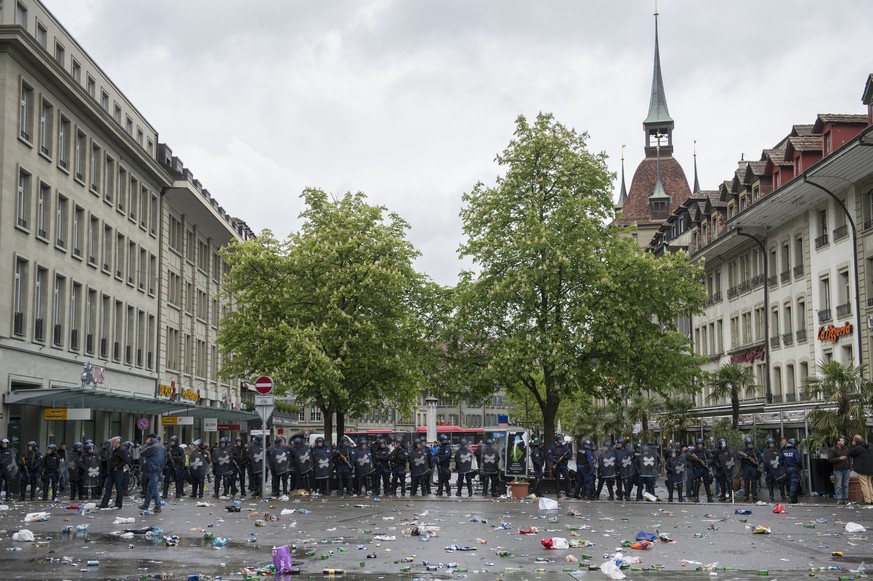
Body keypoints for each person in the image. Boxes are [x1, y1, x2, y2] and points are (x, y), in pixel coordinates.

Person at [138, 433, 166, 513]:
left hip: (152, 468)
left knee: (154, 488)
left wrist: (146, 444)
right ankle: (146, 504)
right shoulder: (162, 446)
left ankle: (158, 506)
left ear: (150, 439)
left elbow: (142, 453)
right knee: (150, 488)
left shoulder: (153, 446)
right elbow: (165, 458)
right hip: (158, 468)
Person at [99, 437, 129, 509]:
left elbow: (125, 460)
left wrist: (118, 467)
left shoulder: (122, 450)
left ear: (117, 442)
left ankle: (118, 504)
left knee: (118, 487)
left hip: (118, 471)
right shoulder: (113, 450)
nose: (112, 444)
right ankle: (104, 504)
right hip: (111, 471)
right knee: (108, 487)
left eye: (113, 443)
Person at [848, 434, 873, 504]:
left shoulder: (858, 448)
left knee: (864, 484)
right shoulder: (868, 448)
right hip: (869, 469)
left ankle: (867, 500)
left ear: (855, 441)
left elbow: (850, 453)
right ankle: (872, 498)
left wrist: (853, 445)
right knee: (869, 484)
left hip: (861, 468)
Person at [689, 438, 714, 503]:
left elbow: (711, 459)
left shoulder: (706, 451)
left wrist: (705, 462)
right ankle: (696, 497)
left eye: (701, 444)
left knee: (706, 483)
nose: (700, 446)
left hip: (705, 469)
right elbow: (689, 457)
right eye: (699, 444)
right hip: (697, 469)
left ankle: (709, 497)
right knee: (697, 483)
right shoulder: (693, 451)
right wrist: (697, 460)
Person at [761, 437, 786, 502]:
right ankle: (771, 495)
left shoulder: (777, 451)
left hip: (777, 469)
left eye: (772, 443)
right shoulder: (765, 451)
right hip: (769, 469)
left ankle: (783, 495)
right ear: (768, 444)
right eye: (770, 443)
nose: (771, 444)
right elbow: (764, 459)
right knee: (769, 481)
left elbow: (781, 458)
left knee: (781, 481)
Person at [738, 437, 762, 502]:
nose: (750, 445)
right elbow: (739, 456)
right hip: (746, 466)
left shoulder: (755, 450)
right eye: (749, 444)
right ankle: (746, 496)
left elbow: (760, 457)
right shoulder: (743, 450)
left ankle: (754, 496)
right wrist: (745, 458)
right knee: (746, 481)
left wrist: (757, 462)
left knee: (754, 481)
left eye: (751, 444)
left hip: (753, 467)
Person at [548, 434, 571, 498]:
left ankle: (568, 492)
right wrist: (555, 460)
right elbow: (550, 455)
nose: (561, 441)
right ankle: (558, 492)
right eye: (560, 439)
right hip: (557, 465)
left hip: (563, 465)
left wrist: (564, 457)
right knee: (557, 478)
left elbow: (569, 455)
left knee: (567, 477)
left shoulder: (564, 447)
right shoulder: (553, 447)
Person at [828, 436, 850, 505]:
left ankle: (846, 499)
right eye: (842, 441)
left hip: (846, 469)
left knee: (845, 485)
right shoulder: (833, 449)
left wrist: (849, 466)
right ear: (838, 442)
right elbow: (830, 459)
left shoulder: (846, 448)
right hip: (838, 470)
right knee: (838, 485)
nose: (843, 442)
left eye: (843, 441)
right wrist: (839, 458)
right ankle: (839, 499)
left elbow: (849, 457)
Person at [780, 438, 803, 504]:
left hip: (787, 469)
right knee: (794, 483)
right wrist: (800, 467)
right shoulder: (795, 451)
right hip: (794, 469)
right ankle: (792, 498)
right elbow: (798, 461)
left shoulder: (784, 451)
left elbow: (780, 461)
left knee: (790, 483)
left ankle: (794, 499)